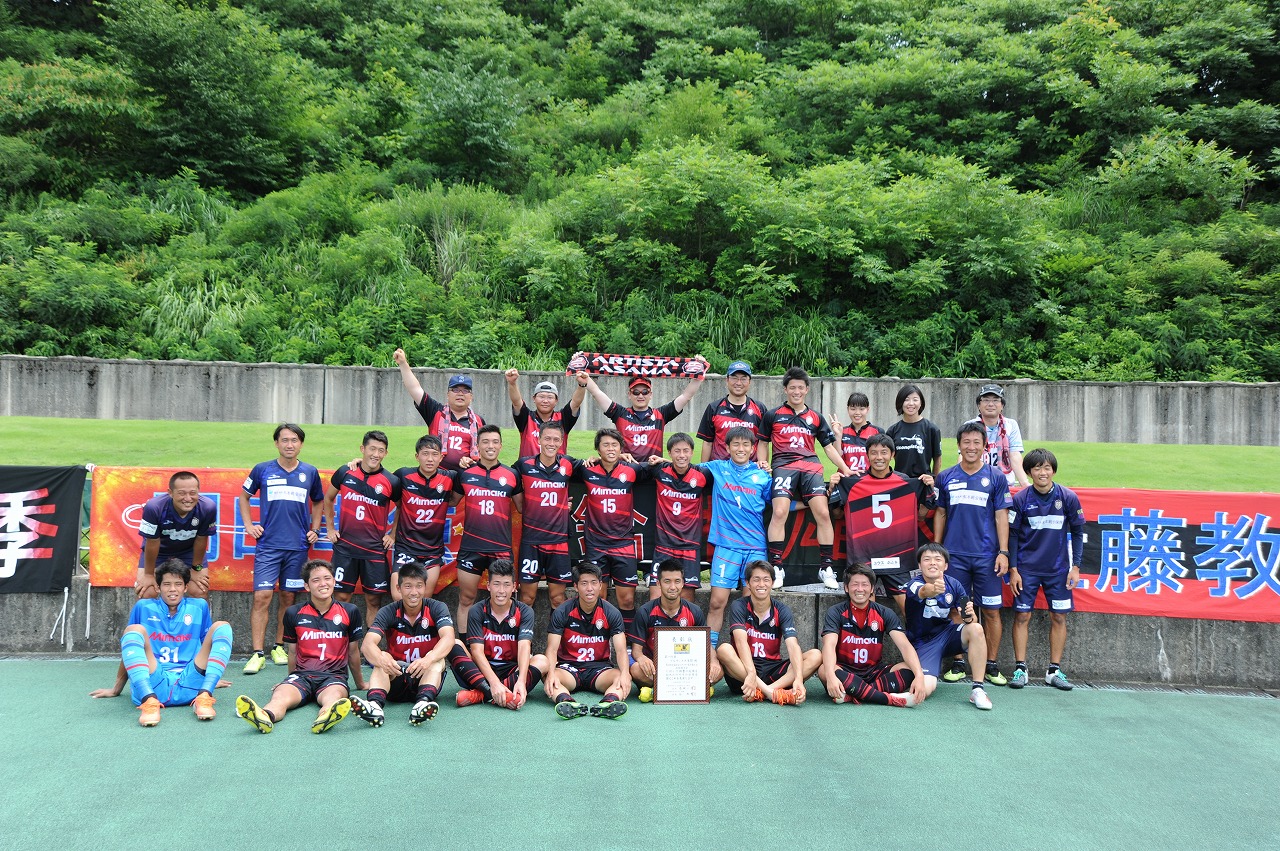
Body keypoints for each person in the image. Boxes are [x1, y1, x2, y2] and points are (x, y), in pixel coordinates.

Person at [90, 559, 233, 726]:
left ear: (186, 587)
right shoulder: (143, 607)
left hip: (190, 686)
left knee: (222, 627)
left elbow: (207, 645)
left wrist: (211, 678)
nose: (172, 589)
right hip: (153, 683)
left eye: (178, 584)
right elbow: (130, 649)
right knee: (133, 630)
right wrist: (117, 688)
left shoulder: (199, 607)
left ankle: (205, 696)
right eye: (166, 584)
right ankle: (149, 702)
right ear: (157, 588)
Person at [235, 559, 365, 734]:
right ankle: (264, 716)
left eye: (327, 578)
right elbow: (292, 652)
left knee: (333, 698)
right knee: (280, 696)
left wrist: (360, 683)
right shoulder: (293, 613)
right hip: (302, 676)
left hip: (333, 677)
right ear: (307, 586)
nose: (323, 583)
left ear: (334, 581)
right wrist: (289, 680)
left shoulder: (350, 611)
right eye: (316, 580)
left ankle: (325, 717)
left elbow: (353, 651)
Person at [239, 423, 325, 675]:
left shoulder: (309, 472)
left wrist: (315, 528)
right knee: (262, 596)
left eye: (294, 440)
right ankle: (257, 653)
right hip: (268, 546)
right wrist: (249, 525)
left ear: (301, 444)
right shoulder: (262, 469)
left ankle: (278, 646)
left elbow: (319, 501)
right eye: (285, 440)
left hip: (297, 547)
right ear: (276, 443)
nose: (289, 445)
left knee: (289, 598)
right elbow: (244, 496)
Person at [758, 367, 852, 589]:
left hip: (810, 467)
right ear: (785, 389)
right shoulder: (773, 415)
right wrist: (763, 464)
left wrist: (845, 468)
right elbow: (762, 442)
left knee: (823, 513)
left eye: (801, 387)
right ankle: (777, 567)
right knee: (779, 511)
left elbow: (828, 447)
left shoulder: (815, 417)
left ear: (807, 389)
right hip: (783, 465)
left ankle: (826, 568)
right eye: (792, 387)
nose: (796, 391)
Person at [934, 422, 1013, 686]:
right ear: (958, 445)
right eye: (966, 442)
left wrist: (1003, 552)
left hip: (987, 557)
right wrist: (937, 550)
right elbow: (940, 513)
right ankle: (958, 661)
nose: (971, 447)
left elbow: (1001, 516)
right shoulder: (945, 477)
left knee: (991, 612)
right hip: (954, 556)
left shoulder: (996, 477)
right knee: (956, 609)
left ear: (984, 446)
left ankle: (991, 664)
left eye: (976, 442)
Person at [829, 434, 935, 614]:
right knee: (863, 611)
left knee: (911, 612)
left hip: (896, 560)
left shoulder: (907, 482)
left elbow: (921, 516)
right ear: (867, 455)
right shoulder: (853, 482)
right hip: (863, 559)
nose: (879, 457)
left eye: (884, 452)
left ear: (892, 455)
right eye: (874, 453)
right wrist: (833, 488)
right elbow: (837, 514)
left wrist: (927, 487)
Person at [1008, 448, 1085, 690]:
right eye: (1037, 468)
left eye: (1047, 468)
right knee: (1022, 616)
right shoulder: (1021, 499)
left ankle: (1054, 670)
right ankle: (1020, 668)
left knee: (1059, 616)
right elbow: (1012, 535)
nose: (1043, 472)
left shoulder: (1068, 497)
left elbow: (1078, 532)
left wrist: (1076, 567)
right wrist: (1013, 569)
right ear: (1029, 472)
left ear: (1053, 470)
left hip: (1058, 570)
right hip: (1026, 570)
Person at [693, 426, 773, 648]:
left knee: (752, 604)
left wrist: (811, 502)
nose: (741, 448)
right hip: (726, 547)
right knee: (717, 602)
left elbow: (780, 504)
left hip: (755, 548)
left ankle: (749, 653)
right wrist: (660, 462)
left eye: (746, 444)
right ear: (727, 448)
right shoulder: (717, 467)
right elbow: (684, 468)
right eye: (735, 444)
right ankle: (710, 653)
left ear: (753, 448)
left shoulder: (762, 475)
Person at [349, 561, 456, 726]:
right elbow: (367, 644)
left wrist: (428, 659)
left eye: (419, 586)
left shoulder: (437, 607)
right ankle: (374, 707)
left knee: (437, 659)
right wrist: (382, 660)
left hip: (425, 675)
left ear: (425, 587)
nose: (414, 592)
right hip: (396, 676)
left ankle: (422, 705)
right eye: (408, 586)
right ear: (398, 588)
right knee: (382, 656)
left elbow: (448, 638)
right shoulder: (388, 611)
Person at [572, 428, 652, 637]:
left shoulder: (632, 470)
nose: (610, 448)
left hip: (623, 544)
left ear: (621, 448)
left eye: (614, 445)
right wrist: (589, 460)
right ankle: (599, 641)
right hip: (596, 545)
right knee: (598, 598)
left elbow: (660, 469)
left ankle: (627, 644)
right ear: (597, 449)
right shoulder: (586, 469)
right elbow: (560, 465)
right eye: (605, 445)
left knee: (627, 599)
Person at [818, 563, 927, 708]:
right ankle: (888, 699)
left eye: (865, 585)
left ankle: (855, 694)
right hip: (845, 671)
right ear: (846, 587)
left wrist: (919, 676)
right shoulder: (835, 612)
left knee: (911, 669)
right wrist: (831, 676)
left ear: (872, 589)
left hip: (874, 673)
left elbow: (905, 646)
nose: (860, 589)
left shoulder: (884, 613)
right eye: (855, 584)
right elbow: (829, 645)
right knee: (824, 670)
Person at [448, 558, 549, 709]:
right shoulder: (477, 610)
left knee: (542, 661)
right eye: (496, 584)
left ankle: (480, 694)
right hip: (482, 670)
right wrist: (494, 683)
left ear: (514, 587)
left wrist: (521, 681)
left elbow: (524, 646)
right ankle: (497, 692)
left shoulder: (525, 611)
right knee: (453, 644)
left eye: (506, 584)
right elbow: (476, 652)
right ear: (488, 585)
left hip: (511, 670)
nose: (501, 590)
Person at [325, 430, 400, 631]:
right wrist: (330, 528)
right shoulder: (345, 472)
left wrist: (392, 534)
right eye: (372, 449)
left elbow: (402, 507)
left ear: (386, 453)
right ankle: (341, 642)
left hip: (374, 551)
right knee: (341, 597)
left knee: (374, 601)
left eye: (381, 450)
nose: (376, 454)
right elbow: (328, 498)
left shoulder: (391, 481)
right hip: (345, 548)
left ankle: (371, 645)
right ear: (362, 449)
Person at [717, 561, 822, 705]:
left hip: (772, 670)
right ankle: (770, 693)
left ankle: (765, 692)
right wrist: (751, 673)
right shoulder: (739, 606)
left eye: (766, 579)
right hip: (743, 673)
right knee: (723, 649)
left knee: (815, 655)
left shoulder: (782, 610)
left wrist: (798, 679)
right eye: (756, 579)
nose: (761, 584)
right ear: (747, 583)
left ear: (772, 583)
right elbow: (740, 642)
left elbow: (792, 645)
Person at [452, 424, 523, 636]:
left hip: (501, 548)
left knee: (504, 599)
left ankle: (503, 642)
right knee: (466, 598)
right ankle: (464, 646)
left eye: (494, 442)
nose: (490, 446)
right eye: (485, 442)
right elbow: (450, 501)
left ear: (500, 445)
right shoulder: (465, 473)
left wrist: (560, 505)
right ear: (477, 446)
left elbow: (523, 507)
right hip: (471, 547)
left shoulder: (512, 474)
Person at [903, 544, 992, 709]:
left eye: (938, 559)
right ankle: (895, 690)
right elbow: (924, 591)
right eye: (927, 559)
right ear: (919, 565)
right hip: (923, 643)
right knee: (925, 689)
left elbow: (969, 618)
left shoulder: (955, 585)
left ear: (945, 565)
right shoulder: (913, 584)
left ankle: (978, 690)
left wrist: (969, 615)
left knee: (976, 628)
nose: (932, 563)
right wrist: (933, 589)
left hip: (947, 635)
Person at [543, 563, 632, 719]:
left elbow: (621, 650)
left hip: (600, 670)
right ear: (576, 587)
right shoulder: (562, 611)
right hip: (569, 669)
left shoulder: (611, 612)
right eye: (584, 583)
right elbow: (551, 649)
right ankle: (567, 702)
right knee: (548, 674)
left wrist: (625, 674)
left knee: (622, 675)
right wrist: (550, 674)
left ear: (600, 585)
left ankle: (608, 703)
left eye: (593, 583)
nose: (589, 588)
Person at [629, 559, 722, 702]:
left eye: (677, 581)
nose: (673, 587)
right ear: (658, 583)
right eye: (667, 581)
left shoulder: (694, 611)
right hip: (656, 669)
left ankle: (660, 690)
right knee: (636, 669)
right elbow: (636, 651)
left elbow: (706, 645)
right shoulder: (645, 611)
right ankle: (691, 689)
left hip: (685, 669)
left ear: (683, 583)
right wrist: (642, 659)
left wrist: (714, 661)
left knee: (719, 670)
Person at [581, 358, 707, 459]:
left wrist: (699, 372)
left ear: (650, 394)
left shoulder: (661, 414)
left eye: (645, 392)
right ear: (629, 395)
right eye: (636, 392)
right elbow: (596, 392)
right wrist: (581, 367)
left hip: (653, 470)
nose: (640, 396)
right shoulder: (620, 413)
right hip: (627, 469)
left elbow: (686, 396)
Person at [515, 422, 575, 610]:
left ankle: (556, 631)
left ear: (562, 442)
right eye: (547, 438)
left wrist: (618, 457)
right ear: (539, 439)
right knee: (527, 598)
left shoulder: (568, 464)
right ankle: (523, 631)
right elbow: (500, 474)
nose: (551, 443)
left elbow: (597, 467)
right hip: (531, 542)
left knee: (558, 599)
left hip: (558, 542)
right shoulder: (523, 465)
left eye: (556, 439)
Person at [390, 435, 460, 598]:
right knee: (398, 596)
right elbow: (378, 477)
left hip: (432, 551)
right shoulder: (403, 475)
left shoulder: (450, 477)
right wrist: (360, 463)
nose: (430, 459)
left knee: (424, 598)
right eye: (425, 453)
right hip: (406, 547)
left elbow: (456, 499)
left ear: (441, 457)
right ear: (417, 456)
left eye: (435, 454)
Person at [394, 347, 484, 470]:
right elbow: (415, 389)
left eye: (465, 390)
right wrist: (403, 364)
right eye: (455, 390)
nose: (460, 394)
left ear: (471, 396)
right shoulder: (436, 412)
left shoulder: (478, 421)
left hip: (465, 475)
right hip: (438, 474)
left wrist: (471, 460)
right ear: (448, 394)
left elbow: (484, 451)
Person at [134, 471, 218, 601]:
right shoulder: (154, 507)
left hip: (188, 552)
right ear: (170, 492)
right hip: (159, 552)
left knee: (199, 591)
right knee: (147, 593)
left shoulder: (208, 507)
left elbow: (201, 539)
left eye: (193, 493)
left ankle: (198, 616)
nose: (188, 498)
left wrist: (196, 569)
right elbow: (152, 542)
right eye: (181, 493)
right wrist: (149, 575)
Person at [645, 433, 708, 602]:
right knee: (655, 597)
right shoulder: (659, 470)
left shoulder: (702, 474)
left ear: (692, 452)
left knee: (687, 599)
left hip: (689, 545)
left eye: (686, 451)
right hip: (664, 545)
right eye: (677, 451)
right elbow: (629, 467)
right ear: (669, 453)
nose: (682, 455)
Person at [505, 368, 588, 459]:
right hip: (528, 467)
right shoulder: (526, 418)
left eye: (550, 397)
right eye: (541, 397)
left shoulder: (563, 418)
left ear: (556, 401)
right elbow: (516, 402)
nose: (545, 401)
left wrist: (582, 385)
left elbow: (575, 403)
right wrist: (512, 383)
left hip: (557, 467)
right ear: (534, 399)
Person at [696, 360, 765, 461]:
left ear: (749, 381)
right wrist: (704, 468)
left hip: (750, 468)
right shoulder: (714, 408)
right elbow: (707, 442)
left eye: (743, 379)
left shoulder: (760, 408)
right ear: (727, 380)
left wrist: (762, 467)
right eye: (734, 378)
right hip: (720, 468)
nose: (738, 383)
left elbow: (763, 443)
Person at [967, 383, 1030, 488]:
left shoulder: (1011, 425)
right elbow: (965, 455)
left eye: (996, 400)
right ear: (979, 405)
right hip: (976, 484)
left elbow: (1014, 455)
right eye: (986, 400)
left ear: (1002, 405)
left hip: (1005, 484)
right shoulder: (969, 426)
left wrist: (1024, 483)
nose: (990, 404)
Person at [885, 384, 942, 479]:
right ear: (900, 402)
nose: (911, 403)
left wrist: (934, 480)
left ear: (921, 403)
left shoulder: (932, 429)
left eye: (915, 400)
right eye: (906, 400)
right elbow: (886, 457)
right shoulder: (892, 430)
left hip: (923, 482)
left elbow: (937, 458)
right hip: (900, 482)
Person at [828, 392, 883, 478]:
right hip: (847, 479)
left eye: (861, 409)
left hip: (869, 479)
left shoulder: (877, 432)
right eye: (853, 409)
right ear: (848, 409)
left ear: (868, 409)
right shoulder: (842, 431)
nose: (857, 413)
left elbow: (882, 458)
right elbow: (836, 457)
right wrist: (838, 435)